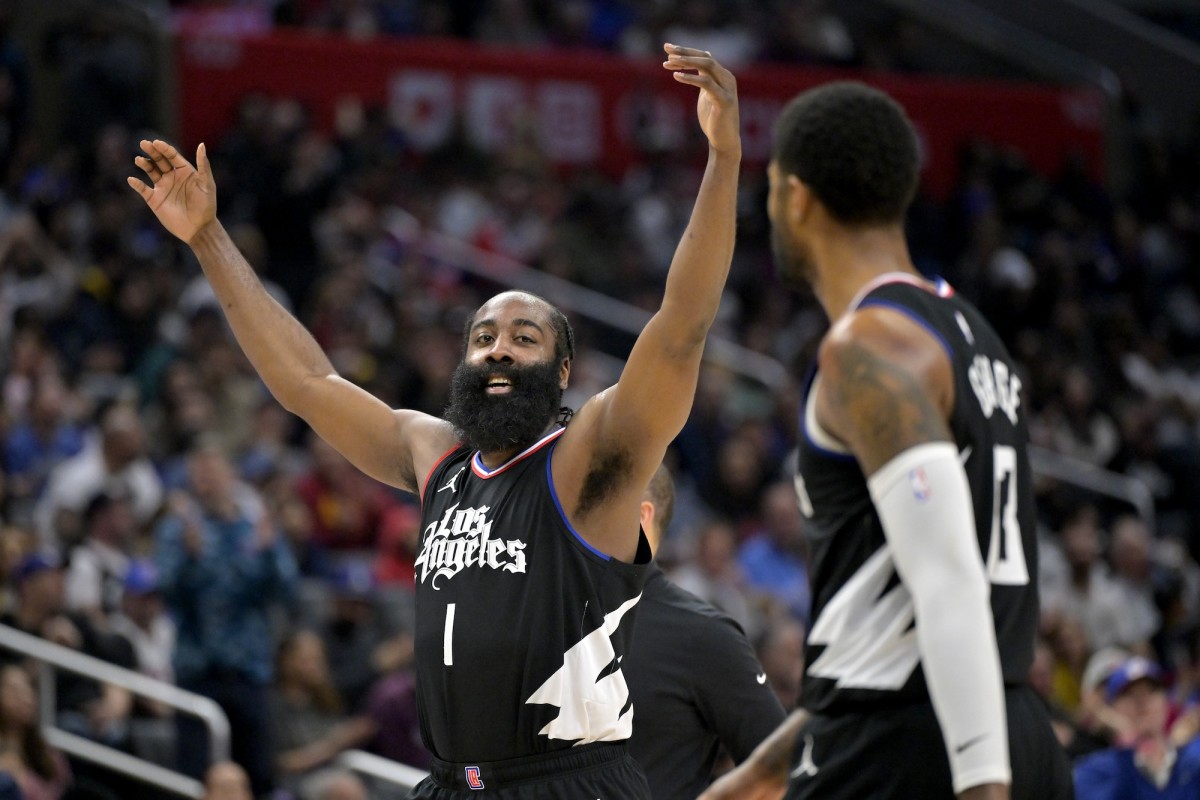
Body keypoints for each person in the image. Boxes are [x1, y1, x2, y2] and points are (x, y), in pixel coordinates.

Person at [129, 42, 740, 800]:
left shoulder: (589, 458)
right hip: (450, 784)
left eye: (523, 338)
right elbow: (307, 381)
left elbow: (680, 326)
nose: (497, 350)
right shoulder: (437, 453)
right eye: (483, 337)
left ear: (562, 373)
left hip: (564, 782)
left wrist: (723, 160)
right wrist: (208, 239)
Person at [701, 82, 1071, 800]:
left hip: (922, 747)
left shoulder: (866, 348)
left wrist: (981, 786)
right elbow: (886, 622)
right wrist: (755, 779)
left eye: (773, 188)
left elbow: (948, 579)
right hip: (1010, 724)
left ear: (797, 198)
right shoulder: (972, 335)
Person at [625, 465, 786, 799]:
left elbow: (782, 769)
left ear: (642, 518)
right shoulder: (542, 618)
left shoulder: (702, 635)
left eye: (590, 499)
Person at [154, 440, 297, 796]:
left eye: (213, 470)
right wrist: (190, 558)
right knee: (196, 776)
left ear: (230, 474)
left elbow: (286, 590)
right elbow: (167, 592)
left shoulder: (255, 527)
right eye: (198, 472)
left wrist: (267, 553)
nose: (206, 479)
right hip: (198, 668)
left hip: (248, 668)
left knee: (259, 774)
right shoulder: (178, 529)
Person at [1073, 656, 1200, 798]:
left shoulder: (1193, 757)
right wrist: (1129, 751)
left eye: (1151, 691)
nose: (1142, 701)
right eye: (1129, 694)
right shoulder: (1095, 770)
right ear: (1112, 709)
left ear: (1166, 702)